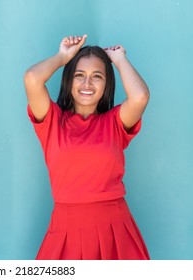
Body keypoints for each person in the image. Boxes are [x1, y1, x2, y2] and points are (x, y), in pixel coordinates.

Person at [24, 34, 150, 260]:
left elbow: (140, 97)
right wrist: (63, 57)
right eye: (79, 75)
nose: (87, 84)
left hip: (116, 228)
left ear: (106, 83)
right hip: (66, 228)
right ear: (69, 80)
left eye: (97, 76)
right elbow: (32, 78)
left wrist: (119, 60)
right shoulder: (52, 121)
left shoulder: (115, 122)